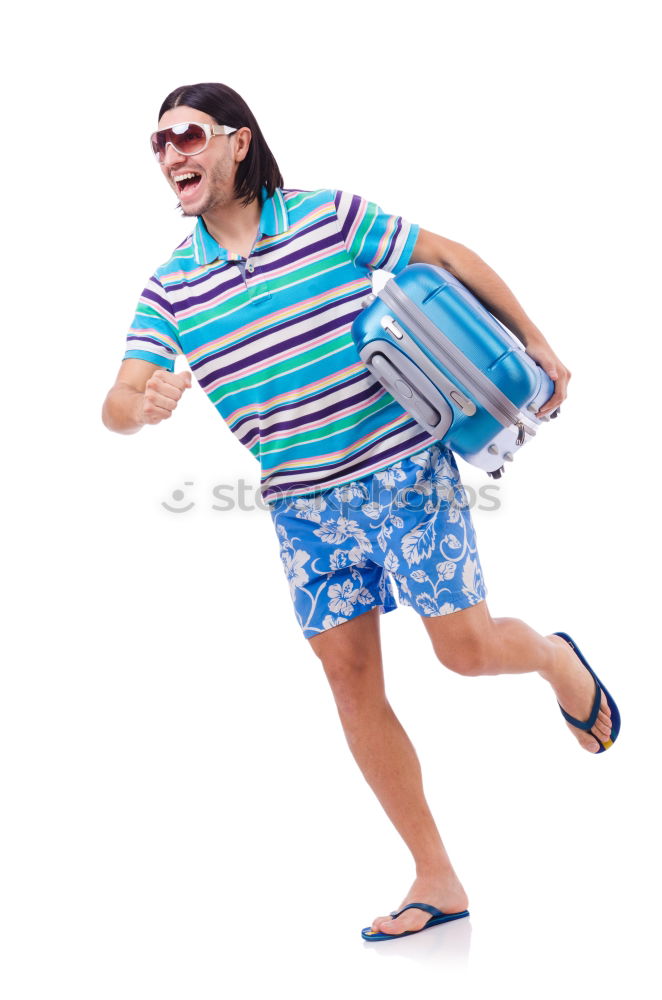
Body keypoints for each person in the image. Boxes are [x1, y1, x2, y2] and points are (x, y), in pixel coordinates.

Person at [102, 82, 620, 942]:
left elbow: (449, 256)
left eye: (186, 135)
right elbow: (115, 401)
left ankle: (557, 660)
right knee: (350, 684)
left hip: (403, 474)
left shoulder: (329, 219)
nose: (171, 155)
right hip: (301, 508)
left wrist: (537, 340)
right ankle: (437, 877)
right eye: (156, 145)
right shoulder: (172, 288)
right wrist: (141, 403)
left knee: (466, 652)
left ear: (237, 142)